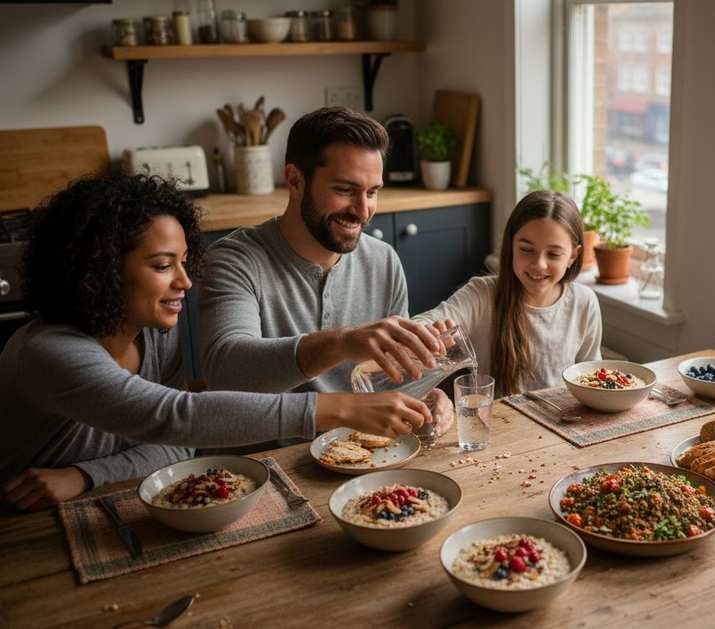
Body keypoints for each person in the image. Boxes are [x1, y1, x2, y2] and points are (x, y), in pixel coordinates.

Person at [0, 174, 435, 512]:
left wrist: (82, 476)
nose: (185, 281)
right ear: (101, 270)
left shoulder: (153, 335)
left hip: (102, 500)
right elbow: (173, 416)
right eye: (161, 265)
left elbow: (175, 446)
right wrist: (340, 409)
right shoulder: (48, 352)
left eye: (184, 262)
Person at [198, 107, 453, 451]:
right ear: (295, 180)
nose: (363, 211)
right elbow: (226, 373)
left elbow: (384, 381)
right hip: (261, 469)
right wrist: (342, 342)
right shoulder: (234, 260)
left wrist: (426, 393)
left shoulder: (383, 261)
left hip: (360, 459)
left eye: (373, 192)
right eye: (345, 189)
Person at [413, 190, 602, 397]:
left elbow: (592, 378)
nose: (539, 264)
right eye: (526, 249)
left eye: (554, 254)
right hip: (499, 425)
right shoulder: (481, 295)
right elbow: (424, 322)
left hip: (560, 423)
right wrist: (429, 330)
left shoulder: (584, 302)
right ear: (511, 246)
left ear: (573, 257)